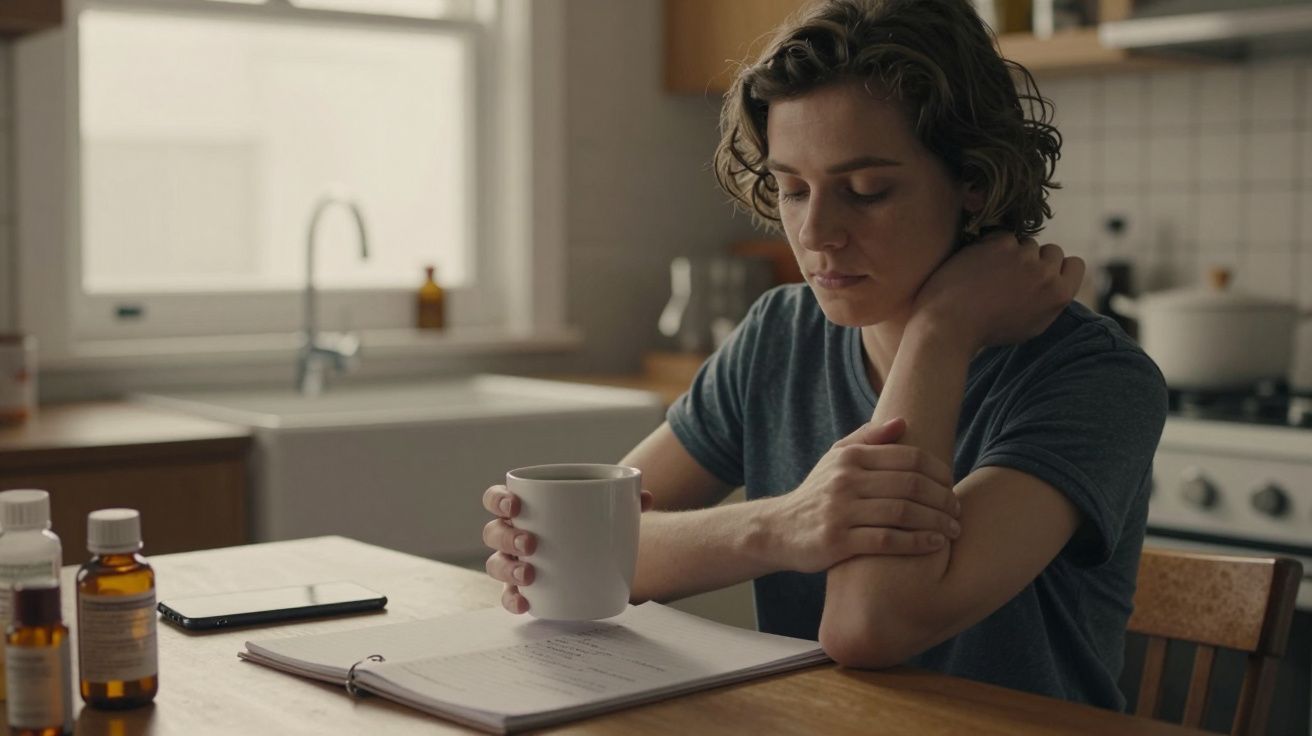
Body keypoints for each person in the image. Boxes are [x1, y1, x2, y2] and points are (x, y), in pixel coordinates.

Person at [481, 0, 1167, 712]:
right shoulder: (781, 331)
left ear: (974, 181)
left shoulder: (1094, 379)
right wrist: (783, 526)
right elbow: (588, 555)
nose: (815, 233)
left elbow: (870, 625)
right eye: (792, 188)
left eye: (867, 192)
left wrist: (941, 328)